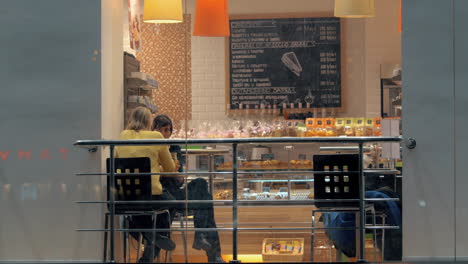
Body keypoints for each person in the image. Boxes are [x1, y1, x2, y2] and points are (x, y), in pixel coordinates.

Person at [152, 115, 224, 263]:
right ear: (154, 129)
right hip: (162, 196)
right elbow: (152, 177)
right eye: (164, 130)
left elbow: (178, 180)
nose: (167, 134)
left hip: (175, 194)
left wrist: (179, 177)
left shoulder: (174, 147)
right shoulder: (150, 146)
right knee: (205, 205)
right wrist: (167, 173)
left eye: (169, 130)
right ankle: (212, 252)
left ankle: (202, 237)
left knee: (201, 185)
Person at [115, 107, 178, 263]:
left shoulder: (123, 136)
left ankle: (150, 236)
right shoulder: (156, 136)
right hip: (150, 194)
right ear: (149, 121)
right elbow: (170, 169)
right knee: (172, 204)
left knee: (140, 211)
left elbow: (116, 159)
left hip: (125, 195)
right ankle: (155, 238)